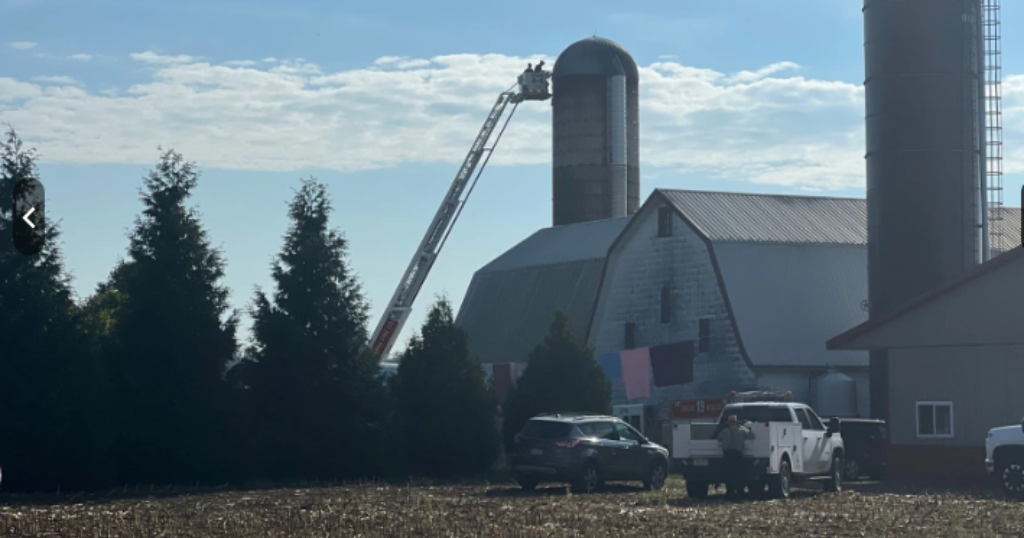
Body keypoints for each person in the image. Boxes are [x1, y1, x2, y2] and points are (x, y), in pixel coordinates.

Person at [717, 414, 755, 499]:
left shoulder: (724, 431)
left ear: (728, 423)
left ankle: (730, 491)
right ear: (736, 422)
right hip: (737, 454)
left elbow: (719, 438)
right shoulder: (741, 430)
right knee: (738, 474)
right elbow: (752, 436)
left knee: (729, 474)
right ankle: (740, 491)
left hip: (727, 455)